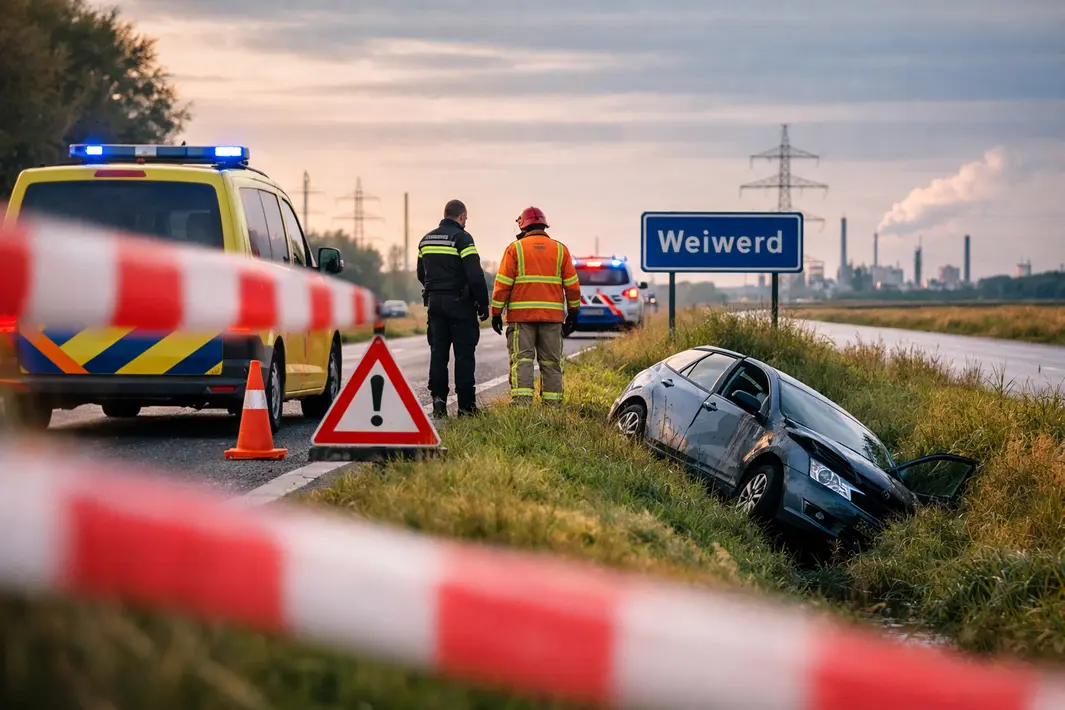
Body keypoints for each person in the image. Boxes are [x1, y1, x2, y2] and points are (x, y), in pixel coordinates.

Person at [490, 206, 580, 406]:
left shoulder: (515, 249)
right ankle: (552, 406)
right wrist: (574, 312)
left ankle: (522, 405)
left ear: (523, 226)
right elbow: (572, 287)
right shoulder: (560, 250)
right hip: (552, 319)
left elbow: (502, 285)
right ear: (544, 225)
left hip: (521, 318)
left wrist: (495, 313)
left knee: (522, 360)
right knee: (551, 362)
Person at [416, 199, 490, 418]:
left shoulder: (426, 240)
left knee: (438, 354)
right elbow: (474, 274)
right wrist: (483, 303)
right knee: (464, 355)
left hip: (434, 304)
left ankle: (438, 403)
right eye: (466, 218)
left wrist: (435, 288)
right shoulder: (462, 238)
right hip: (459, 305)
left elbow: (421, 274)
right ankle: (466, 408)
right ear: (461, 216)